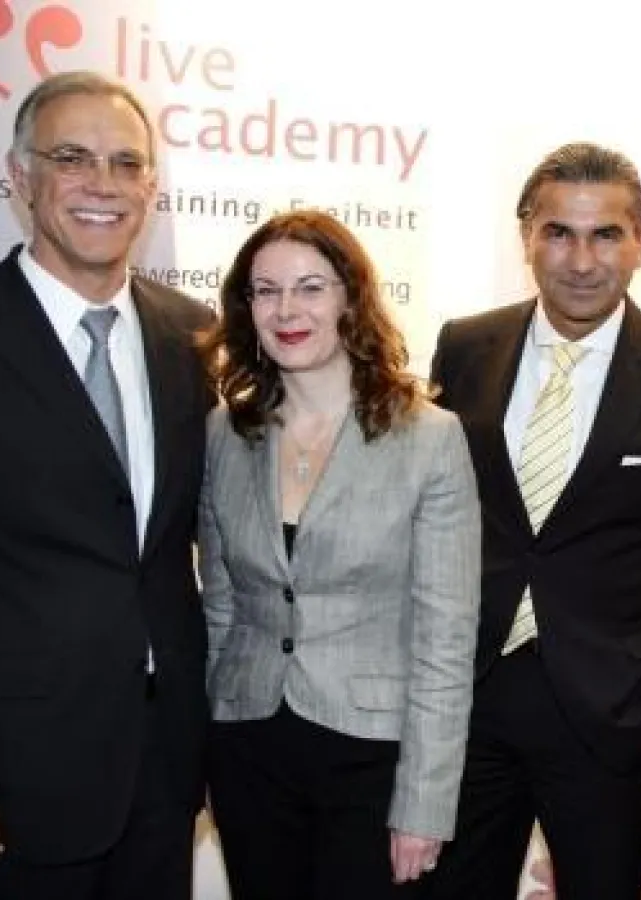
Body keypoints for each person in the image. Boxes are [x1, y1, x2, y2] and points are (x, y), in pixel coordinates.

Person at [0, 70, 213, 900]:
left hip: (164, 775)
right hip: (6, 791)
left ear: (151, 189)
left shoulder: (194, 337)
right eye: (73, 158)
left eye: (127, 164)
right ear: (19, 179)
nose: (103, 185)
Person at [425, 141, 641, 899]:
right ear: (526, 235)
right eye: (559, 232)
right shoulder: (465, 347)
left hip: (609, 719)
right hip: (467, 706)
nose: (582, 260)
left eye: (607, 234)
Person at [196, 209, 482, 900]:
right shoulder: (226, 431)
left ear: (351, 297)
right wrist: (204, 743)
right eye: (265, 291)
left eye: (310, 287)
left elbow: (445, 640)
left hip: (374, 759)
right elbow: (220, 605)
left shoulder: (428, 437)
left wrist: (426, 804)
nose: (287, 309)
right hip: (249, 749)